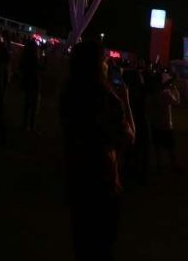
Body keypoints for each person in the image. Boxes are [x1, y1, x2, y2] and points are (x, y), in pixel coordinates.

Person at [60, 41, 135, 260]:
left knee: (82, 245)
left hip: (76, 178)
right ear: (96, 65)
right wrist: (126, 101)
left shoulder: (68, 94)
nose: (106, 64)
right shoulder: (108, 100)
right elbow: (128, 137)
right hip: (103, 181)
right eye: (103, 60)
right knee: (103, 247)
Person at [149, 72, 181, 172]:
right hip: (166, 125)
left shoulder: (152, 94)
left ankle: (159, 165)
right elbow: (177, 101)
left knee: (157, 147)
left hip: (155, 124)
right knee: (171, 147)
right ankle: (174, 166)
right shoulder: (165, 94)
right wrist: (174, 89)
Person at [20, 37, 42, 133]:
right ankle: (31, 127)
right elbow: (41, 68)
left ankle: (25, 125)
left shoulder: (25, 57)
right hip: (34, 83)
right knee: (33, 106)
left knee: (27, 105)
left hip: (27, 82)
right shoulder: (34, 59)